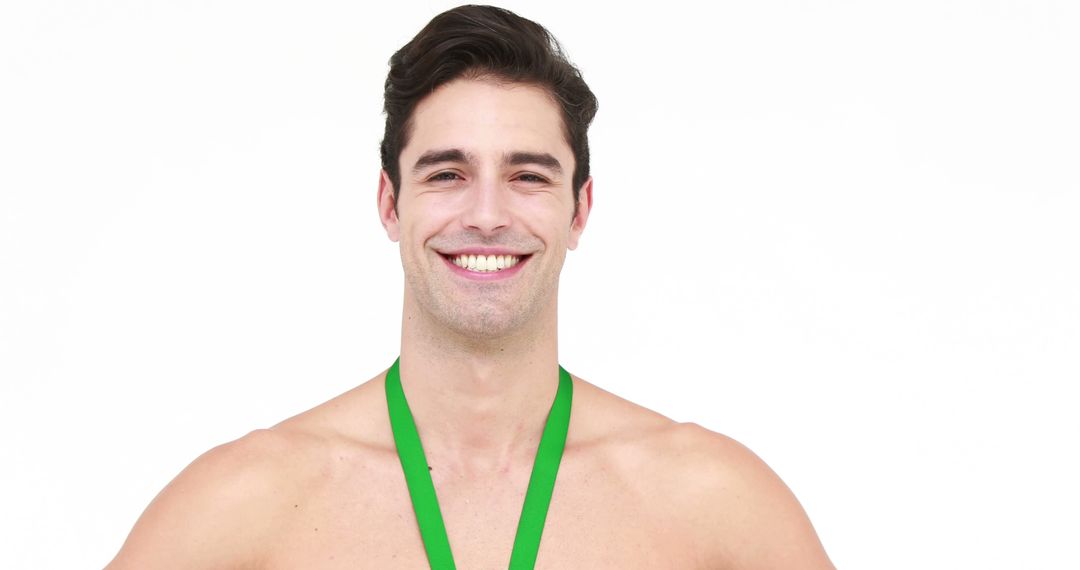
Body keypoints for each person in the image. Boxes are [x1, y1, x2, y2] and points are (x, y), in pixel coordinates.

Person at [107, 5, 834, 569]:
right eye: (448, 174)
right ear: (391, 204)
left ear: (578, 210)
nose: (486, 215)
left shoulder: (713, 501)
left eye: (527, 175)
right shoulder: (248, 499)